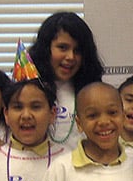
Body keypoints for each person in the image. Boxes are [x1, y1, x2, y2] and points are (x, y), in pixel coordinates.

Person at [29, 11, 104, 150]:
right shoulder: (28, 90)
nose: (70, 57)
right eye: (62, 48)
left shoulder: (94, 91)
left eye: (78, 50)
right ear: (46, 49)